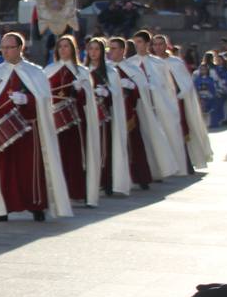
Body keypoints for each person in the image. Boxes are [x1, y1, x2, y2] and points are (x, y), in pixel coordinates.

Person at [0, 32, 72, 222]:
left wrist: (28, 99)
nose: (5, 51)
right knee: (3, 171)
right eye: (3, 47)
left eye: (9, 47)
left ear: (20, 48)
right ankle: (1, 209)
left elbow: (44, 100)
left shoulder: (34, 72)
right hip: (0, 130)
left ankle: (36, 205)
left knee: (30, 170)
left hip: (28, 130)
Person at [44, 35, 102, 207]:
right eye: (60, 46)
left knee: (75, 157)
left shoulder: (82, 71)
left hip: (76, 121)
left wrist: (80, 90)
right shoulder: (49, 70)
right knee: (56, 155)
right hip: (54, 120)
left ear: (73, 49)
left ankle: (76, 192)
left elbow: (88, 100)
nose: (63, 49)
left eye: (66, 46)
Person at [109, 37, 175, 188]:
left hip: (130, 114)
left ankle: (141, 177)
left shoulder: (132, 68)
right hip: (111, 114)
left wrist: (132, 87)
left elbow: (142, 89)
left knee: (136, 146)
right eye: (109, 49)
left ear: (122, 50)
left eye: (114, 48)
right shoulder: (106, 68)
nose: (111, 52)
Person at [151, 33, 212, 172]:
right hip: (158, 103)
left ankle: (186, 162)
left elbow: (186, 82)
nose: (158, 47)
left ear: (166, 45)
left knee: (181, 130)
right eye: (155, 44)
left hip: (177, 102)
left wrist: (178, 95)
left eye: (161, 44)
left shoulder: (176, 62)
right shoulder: (151, 62)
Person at [85, 36, 131, 196]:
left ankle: (106, 181)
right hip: (87, 116)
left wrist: (108, 93)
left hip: (103, 118)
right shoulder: (83, 71)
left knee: (105, 150)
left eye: (96, 49)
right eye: (90, 49)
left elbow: (117, 96)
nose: (93, 52)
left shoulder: (110, 72)